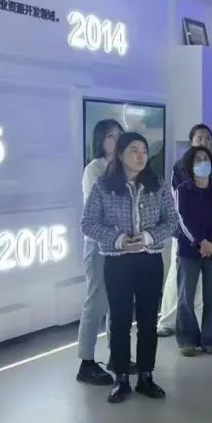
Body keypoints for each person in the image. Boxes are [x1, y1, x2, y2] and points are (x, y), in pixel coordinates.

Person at [81, 132, 177, 404]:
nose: (140, 156)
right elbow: (87, 223)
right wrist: (118, 239)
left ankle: (146, 376)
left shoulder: (157, 184)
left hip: (149, 259)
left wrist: (148, 237)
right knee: (120, 320)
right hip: (117, 260)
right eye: (134, 150)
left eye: (144, 151)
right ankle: (121, 378)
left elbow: (171, 221)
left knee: (147, 320)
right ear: (120, 154)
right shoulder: (103, 185)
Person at [158, 124, 212, 337]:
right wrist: (199, 240)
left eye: (208, 138)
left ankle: (201, 328)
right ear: (191, 141)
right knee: (179, 281)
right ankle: (168, 321)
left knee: (207, 288)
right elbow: (179, 206)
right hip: (185, 234)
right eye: (199, 138)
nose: (204, 141)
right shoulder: (180, 166)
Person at [75, 118, 123, 386]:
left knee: (118, 302)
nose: (116, 140)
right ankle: (86, 362)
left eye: (119, 135)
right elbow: (103, 206)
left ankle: (117, 355)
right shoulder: (94, 168)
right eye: (110, 136)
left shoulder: (125, 167)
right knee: (96, 301)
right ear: (101, 140)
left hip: (121, 246)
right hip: (98, 244)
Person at [175, 146, 212, 355]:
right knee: (185, 297)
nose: (203, 162)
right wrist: (200, 242)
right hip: (189, 250)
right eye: (198, 159)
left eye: (205, 158)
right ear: (190, 165)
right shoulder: (183, 190)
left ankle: (209, 340)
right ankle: (187, 340)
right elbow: (182, 220)